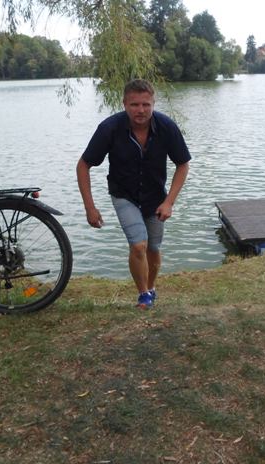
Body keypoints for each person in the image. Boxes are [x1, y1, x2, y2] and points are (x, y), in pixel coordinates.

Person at [76, 79, 191, 308]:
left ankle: (151, 287)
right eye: (134, 104)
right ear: (124, 104)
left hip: (155, 197)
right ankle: (143, 294)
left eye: (146, 104)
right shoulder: (109, 128)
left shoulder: (166, 127)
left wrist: (169, 202)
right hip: (124, 195)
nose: (141, 110)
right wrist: (90, 207)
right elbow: (83, 165)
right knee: (138, 245)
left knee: (153, 248)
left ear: (153, 104)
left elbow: (183, 164)